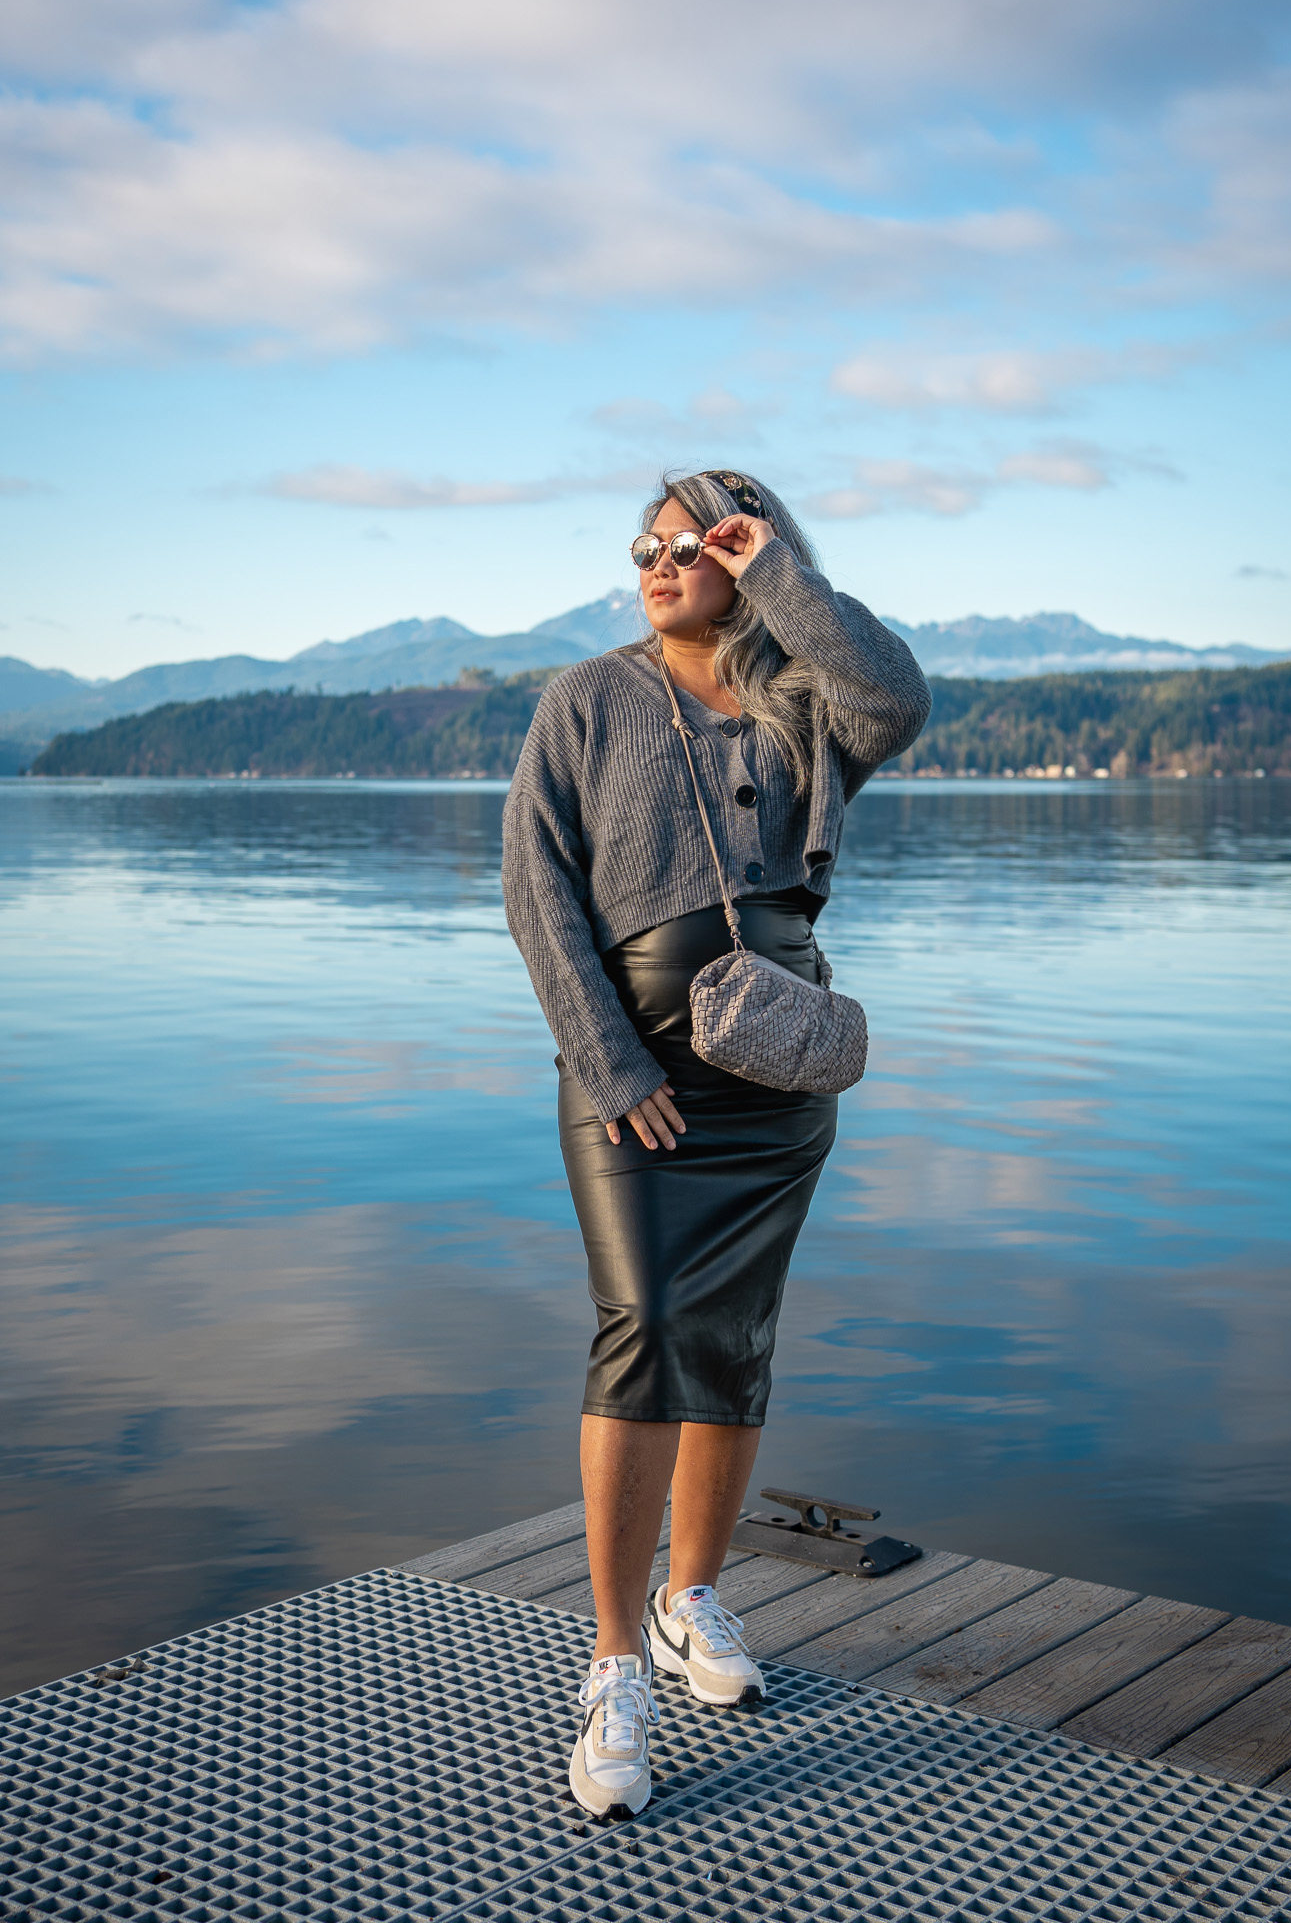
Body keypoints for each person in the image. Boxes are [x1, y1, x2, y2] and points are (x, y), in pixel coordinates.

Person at [502, 469, 929, 1818]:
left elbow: (896, 697)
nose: (658, 560)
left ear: (748, 557)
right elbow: (536, 893)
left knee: (732, 1334)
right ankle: (614, 1659)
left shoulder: (808, 699)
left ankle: (694, 1600)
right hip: (637, 1073)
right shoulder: (581, 700)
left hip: (776, 1070)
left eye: (693, 544)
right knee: (644, 1319)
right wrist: (610, 1059)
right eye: (645, 546)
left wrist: (778, 575)